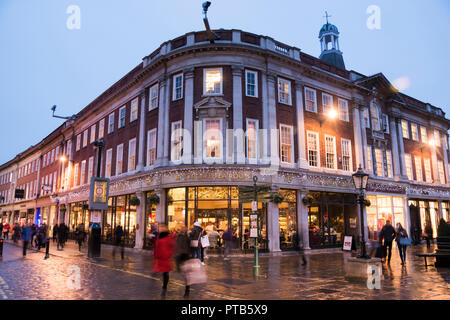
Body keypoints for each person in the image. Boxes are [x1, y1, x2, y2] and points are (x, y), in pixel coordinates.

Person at [153, 224, 175, 298]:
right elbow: (156, 247)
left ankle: (164, 288)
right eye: (160, 227)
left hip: (166, 258)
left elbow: (172, 247)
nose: (161, 229)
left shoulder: (169, 237)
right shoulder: (159, 237)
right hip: (160, 258)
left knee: (165, 273)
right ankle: (164, 286)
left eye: (163, 227)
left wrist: (168, 254)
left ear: (166, 228)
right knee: (162, 272)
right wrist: (155, 255)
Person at [174, 225, 192, 298]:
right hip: (180, 255)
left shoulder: (187, 237)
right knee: (182, 272)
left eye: (184, 229)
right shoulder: (178, 237)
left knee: (186, 274)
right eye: (182, 229)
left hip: (185, 255)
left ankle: (187, 290)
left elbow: (190, 246)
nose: (183, 230)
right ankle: (187, 289)